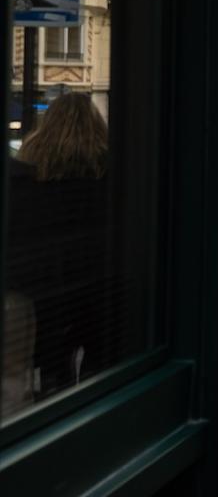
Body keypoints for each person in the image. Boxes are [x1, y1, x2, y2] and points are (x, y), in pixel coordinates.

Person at [3, 93, 113, 415]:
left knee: (52, 373)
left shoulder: (30, 173)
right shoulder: (106, 173)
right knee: (98, 364)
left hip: (46, 288)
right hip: (96, 284)